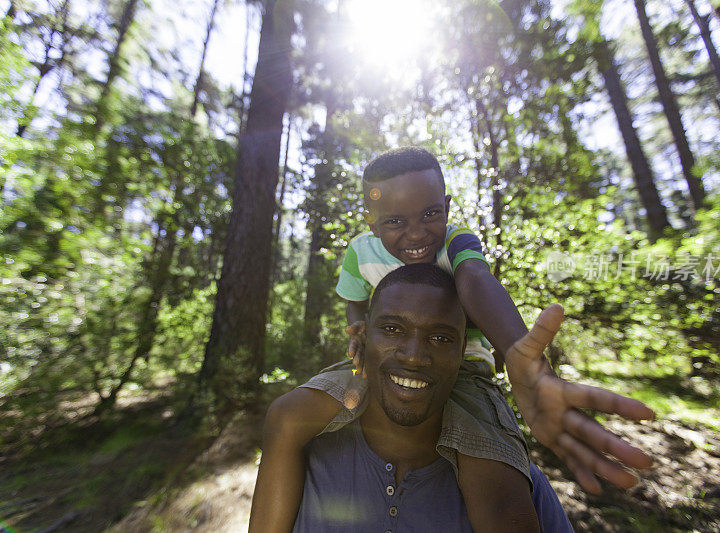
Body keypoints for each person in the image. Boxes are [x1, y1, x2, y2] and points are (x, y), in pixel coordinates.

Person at [251, 147, 654, 532]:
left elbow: (477, 281)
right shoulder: (360, 252)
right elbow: (354, 300)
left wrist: (516, 351)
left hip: (466, 370)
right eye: (395, 222)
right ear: (371, 222)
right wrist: (358, 331)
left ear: (447, 206)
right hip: (376, 360)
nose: (415, 234)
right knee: (286, 416)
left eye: (429, 214)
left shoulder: (457, 242)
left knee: (496, 483)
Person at [251, 264, 573, 532]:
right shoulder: (303, 456)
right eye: (392, 329)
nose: (414, 356)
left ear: (462, 350)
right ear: (363, 337)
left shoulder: (520, 486)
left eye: (439, 337)